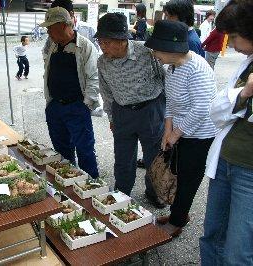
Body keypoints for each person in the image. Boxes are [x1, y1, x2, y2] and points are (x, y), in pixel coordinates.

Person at [145, 20, 218, 237]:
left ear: (170, 48)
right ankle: (178, 213)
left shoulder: (197, 68)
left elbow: (202, 108)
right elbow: (171, 103)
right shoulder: (172, 67)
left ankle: (177, 221)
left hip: (200, 135)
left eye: (157, 49)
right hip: (182, 132)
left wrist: (176, 133)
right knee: (178, 173)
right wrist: (167, 130)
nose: (154, 54)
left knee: (188, 178)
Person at [199, 0, 253, 264]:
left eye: (233, 36)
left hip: (249, 171)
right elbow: (216, 111)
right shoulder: (247, 65)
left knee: (238, 252)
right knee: (212, 236)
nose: (230, 44)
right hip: (224, 163)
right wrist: (243, 93)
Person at [96, 13, 166, 208]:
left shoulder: (147, 52)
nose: (102, 46)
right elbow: (106, 92)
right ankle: (121, 192)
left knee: (154, 155)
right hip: (122, 112)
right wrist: (111, 116)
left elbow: (165, 79)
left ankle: (154, 193)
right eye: (100, 42)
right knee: (123, 157)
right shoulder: (102, 62)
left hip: (151, 110)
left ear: (122, 40)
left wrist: (169, 114)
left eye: (107, 42)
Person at [41, 7, 100, 178]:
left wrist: (86, 105)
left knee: (85, 150)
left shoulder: (85, 47)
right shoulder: (52, 45)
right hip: (54, 107)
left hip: (77, 107)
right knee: (61, 151)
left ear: (63, 25)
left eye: (50, 27)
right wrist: (50, 103)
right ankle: (68, 184)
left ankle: (91, 185)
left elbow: (94, 79)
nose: (48, 31)